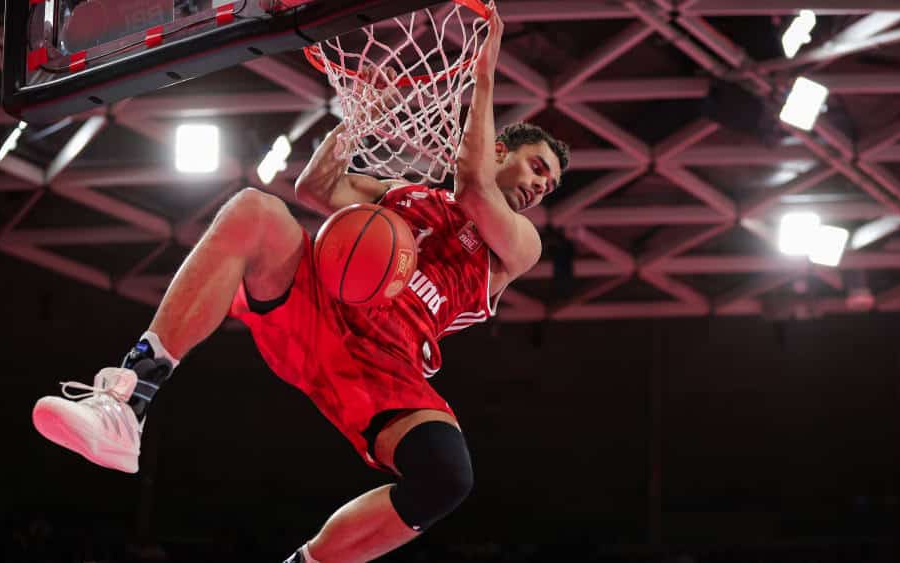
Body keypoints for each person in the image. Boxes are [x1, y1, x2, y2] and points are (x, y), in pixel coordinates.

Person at [32, 12, 569, 563]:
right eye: (536, 167)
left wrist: (485, 69)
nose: (539, 186)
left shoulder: (518, 245)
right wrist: (361, 118)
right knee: (254, 210)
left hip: (387, 362)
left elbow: (474, 188)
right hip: (319, 309)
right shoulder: (404, 195)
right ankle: (128, 403)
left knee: (446, 476)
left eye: (548, 185)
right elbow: (314, 188)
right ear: (499, 150)